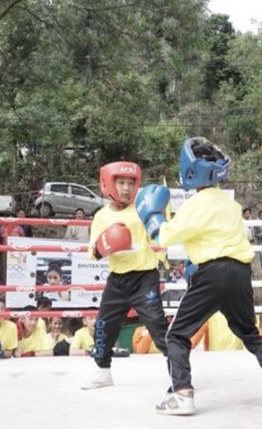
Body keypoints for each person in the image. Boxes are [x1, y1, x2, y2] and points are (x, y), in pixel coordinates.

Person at [143, 137, 262, 415]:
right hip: (240, 273)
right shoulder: (230, 204)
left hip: (212, 274)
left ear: (189, 169)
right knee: (250, 333)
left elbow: (164, 237)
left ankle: (182, 395)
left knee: (177, 335)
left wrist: (151, 216)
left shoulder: (196, 204)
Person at [80, 161, 170, 390]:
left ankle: (178, 373)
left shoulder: (143, 208)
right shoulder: (101, 216)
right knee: (103, 325)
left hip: (144, 277)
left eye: (131, 183)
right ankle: (102, 372)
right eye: (121, 182)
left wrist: (159, 223)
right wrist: (106, 245)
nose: (126, 188)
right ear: (109, 183)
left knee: (158, 326)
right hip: (117, 279)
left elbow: (160, 237)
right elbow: (92, 253)